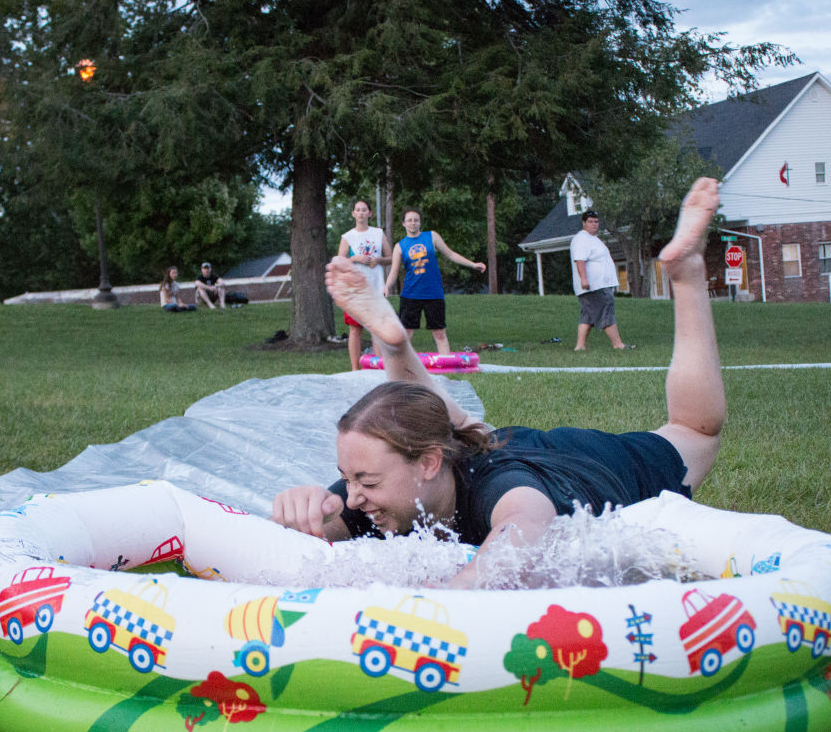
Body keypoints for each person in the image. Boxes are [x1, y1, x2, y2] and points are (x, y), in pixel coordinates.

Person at [273, 178, 725, 588]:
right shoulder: (377, 490)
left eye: (365, 482)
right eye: (345, 479)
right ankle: (395, 349)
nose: (353, 497)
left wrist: (432, 599)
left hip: (583, 465)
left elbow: (517, 543)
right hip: (484, 443)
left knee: (695, 430)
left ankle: (687, 276)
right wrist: (304, 513)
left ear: (427, 464)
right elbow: (292, 547)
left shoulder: (507, 491)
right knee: (464, 428)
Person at [385, 207, 485, 355]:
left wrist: (472, 264)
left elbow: (451, 254)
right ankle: (402, 368)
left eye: (416, 220)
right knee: (406, 334)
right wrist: (386, 287)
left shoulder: (431, 236)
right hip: (410, 295)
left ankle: (446, 367)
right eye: (409, 220)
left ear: (420, 222)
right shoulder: (399, 246)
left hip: (433, 293)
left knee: (439, 333)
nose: (413, 223)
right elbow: (393, 272)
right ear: (403, 224)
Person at [336, 199, 392, 370]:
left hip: (375, 286)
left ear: (370, 213)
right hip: (355, 288)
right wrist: (354, 258)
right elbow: (339, 262)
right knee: (355, 329)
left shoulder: (378, 233)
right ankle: (355, 369)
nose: (361, 213)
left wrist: (379, 260)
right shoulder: (348, 237)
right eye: (358, 210)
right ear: (353, 213)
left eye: (364, 210)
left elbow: (391, 258)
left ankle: (378, 367)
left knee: (376, 329)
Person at [570, 209, 631, 350]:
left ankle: (580, 346)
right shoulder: (582, 239)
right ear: (584, 223)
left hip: (597, 285)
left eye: (596, 221)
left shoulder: (593, 239)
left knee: (587, 315)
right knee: (605, 310)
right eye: (590, 222)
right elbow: (580, 260)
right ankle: (618, 344)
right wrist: (584, 279)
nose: (594, 224)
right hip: (594, 285)